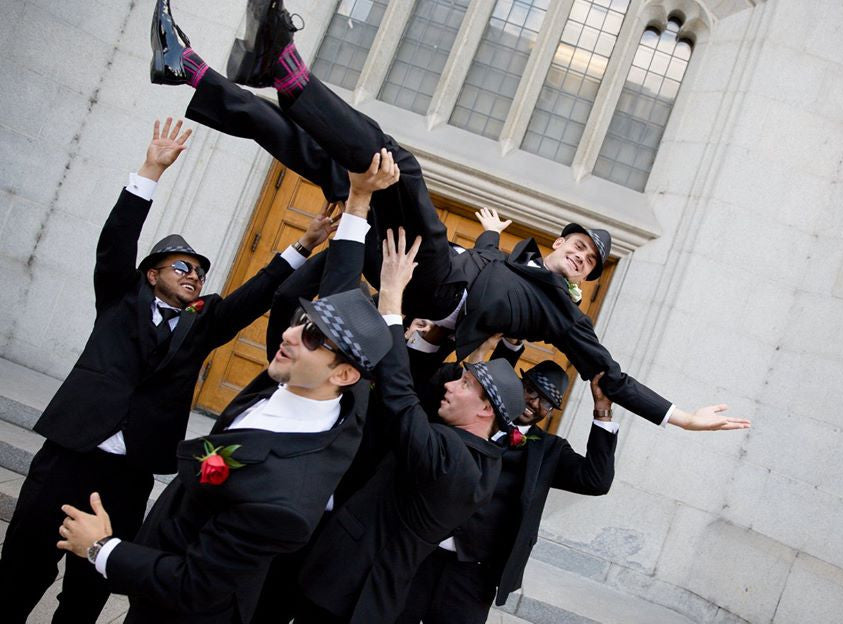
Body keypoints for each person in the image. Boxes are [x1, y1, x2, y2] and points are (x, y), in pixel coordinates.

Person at [147, 0, 750, 435]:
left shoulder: (563, 317)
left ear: (587, 277)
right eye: (574, 241)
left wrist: (678, 415)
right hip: (416, 267)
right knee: (330, 163)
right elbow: (490, 263)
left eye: (588, 257)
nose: (576, 250)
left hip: (430, 288)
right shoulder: (515, 261)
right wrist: (488, 240)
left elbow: (608, 375)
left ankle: (283, 70)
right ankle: (192, 71)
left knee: (403, 170)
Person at [0, 117, 334, 624]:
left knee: (89, 589)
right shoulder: (118, 300)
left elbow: (257, 293)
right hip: (69, 455)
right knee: (22, 569)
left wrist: (304, 243)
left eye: (199, 270)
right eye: (182, 266)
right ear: (152, 274)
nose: (194, 275)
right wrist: (150, 170)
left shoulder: (204, 323)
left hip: (129, 475)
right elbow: (115, 244)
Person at [56, 281, 394, 624]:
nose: (289, 335)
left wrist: (100, 549)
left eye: (312, 338)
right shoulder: (309, 387)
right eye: (300, 319)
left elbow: (195, 586)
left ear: (345, 373)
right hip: (162, 561)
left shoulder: (284, 502)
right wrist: (389, 296)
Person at [291, 229, 525, 624]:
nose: (451, 384)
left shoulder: (451, 457)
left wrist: (392, 298)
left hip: (345, 587)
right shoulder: (484, 459)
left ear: (486, 410)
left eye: (464, 384)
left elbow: (400, 397)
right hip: (377, 599)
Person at [398, 363, 618, 623]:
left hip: (474, 574)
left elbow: (596, 481)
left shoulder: (550, 450)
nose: (534, 403)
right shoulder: (470, 415)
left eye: (545, 402)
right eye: (530, 390)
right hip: (418, 552)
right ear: (517, 385)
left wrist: (602, 410)